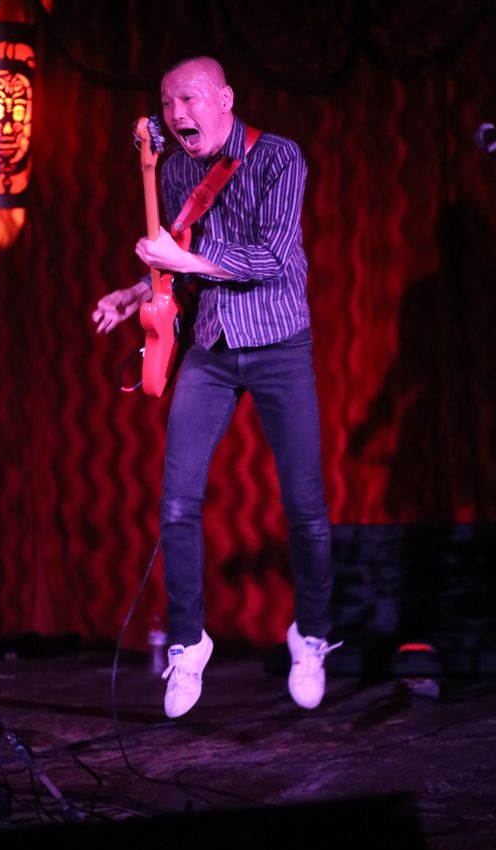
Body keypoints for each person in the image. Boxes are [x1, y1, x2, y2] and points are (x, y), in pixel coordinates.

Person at [93, 56, 339, 718]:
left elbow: (273, 258)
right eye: (167, 102)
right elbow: (180, 260)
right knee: (177, 501)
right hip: (212, 345)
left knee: (305, 507)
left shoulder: (279, 158)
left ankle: (312, 635)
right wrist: (136, 291)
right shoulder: (176, 169)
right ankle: (187, 644)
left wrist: (185, 260)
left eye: (190, 99)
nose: (176, 113)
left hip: (280, 342)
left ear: (225, 99)